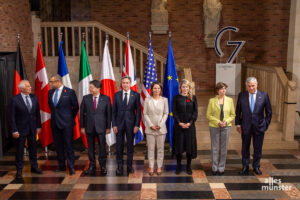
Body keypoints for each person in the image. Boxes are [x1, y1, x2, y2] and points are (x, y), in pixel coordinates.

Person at [236, 77, 272, 175]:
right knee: (245, 148)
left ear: (257, 85)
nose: (251, 88)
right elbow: (238, 111)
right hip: (245, 126)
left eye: (253, 86)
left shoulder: (264, 95)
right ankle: (245, 166)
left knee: (258, 148)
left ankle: (256, 166)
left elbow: (269, 112)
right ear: (246, 86)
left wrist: (265, 124)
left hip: (259, 127)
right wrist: (238, 124)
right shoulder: (242, 95)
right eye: (249, 86)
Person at [10, 80, 43, 179]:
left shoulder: (34, 97)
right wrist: (14, 130)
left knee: (33, 149)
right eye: (28, 86)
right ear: (22, 89)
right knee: (19, 151)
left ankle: (34, 167)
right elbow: (11, 117)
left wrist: (38, 126)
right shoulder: (15, 99)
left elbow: (37, 113)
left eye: (30, 86)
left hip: (32, 129)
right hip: (20, 130)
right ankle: (19, 170)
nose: (30, 88)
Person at [48, 74, 79, 175]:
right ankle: (61, 166)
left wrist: (69, 118)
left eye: (52, 82)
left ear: (58, 81)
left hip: (67, 124)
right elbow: (52, 107)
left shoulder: (69, 92)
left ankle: (71, 167)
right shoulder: (50, 92)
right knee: (58, 146)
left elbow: (75, 107)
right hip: (55, 123)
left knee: (69, 146)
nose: (50, 84)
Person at [80, 80, 111, 176]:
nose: (90, 89)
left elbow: (108, 114)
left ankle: (103, 166)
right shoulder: (86, 98)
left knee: (102, 147)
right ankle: (92, 165)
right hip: (89, 127)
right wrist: (82, 127)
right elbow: (81, 114)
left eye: (92, 87)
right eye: (90, 87)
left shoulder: (106, 99)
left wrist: (108, 127)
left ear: (98, 88)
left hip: (101, 127)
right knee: (90, 148)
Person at [112, 76, 141, 176]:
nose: (125, 84)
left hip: (131, 124)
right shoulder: (116, 95)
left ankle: (129, 166)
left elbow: (138, 112)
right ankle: (119, 166)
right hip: (119, 125)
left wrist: (137, 125)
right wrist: (114, 124)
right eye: (123, 83)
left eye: (127, 83)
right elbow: (113, 111)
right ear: (121, 84)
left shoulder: (136, 95)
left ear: (130, 84)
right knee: (119, 147)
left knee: (130, 147)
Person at [206, 82, 235, 176]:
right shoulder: (212, 101)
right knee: (215, 147)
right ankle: (214, 167)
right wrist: (217, 122)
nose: (224, 90)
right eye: (222, 89)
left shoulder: (230, 100)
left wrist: (226, 122)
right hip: (214, 126)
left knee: (224, 148)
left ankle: (221, 167)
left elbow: (233, 115)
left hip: (226, 127)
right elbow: (208, 115)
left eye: (225, 88)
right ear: (217, 90)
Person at [172, 79, 198, 175]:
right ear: (180, 88)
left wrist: (190, 122)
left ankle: (188, 166)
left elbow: (195, 112)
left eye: (187, 87)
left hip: (190, 126)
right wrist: (179, 122)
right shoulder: (176, 98)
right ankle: (178, 166)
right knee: (179, 146)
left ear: (189, 88)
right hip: (178, 126)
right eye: (183, 86)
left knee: (189, 146)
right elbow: (174, 112)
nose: (185, 88)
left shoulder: (193, 98)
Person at [143, 82, 168, 176]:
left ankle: (159, 167)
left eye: (158, 88)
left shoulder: (164, 100)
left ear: (161, 90)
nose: (157, 90)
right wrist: (150, 125)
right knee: (150, 149)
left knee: (161, 149)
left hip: (161, 129)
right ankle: (151, 167)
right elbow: (145, 114)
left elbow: (166, 113)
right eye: (155, 88)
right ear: (152, 89)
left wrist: (160, 124)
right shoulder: (147, 100)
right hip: (150, 129)